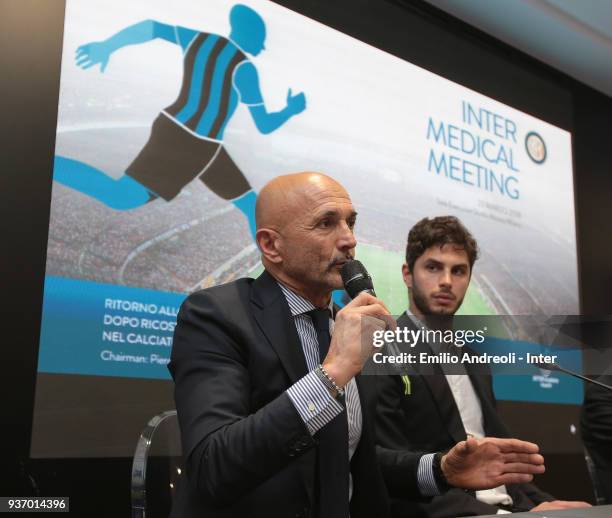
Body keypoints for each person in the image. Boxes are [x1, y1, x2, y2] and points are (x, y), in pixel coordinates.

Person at [169, 177, 546, 518]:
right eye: (326, 223)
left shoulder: (347, 325)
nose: (349, 239)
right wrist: (332, 373)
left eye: (351, 222)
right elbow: (211, 467)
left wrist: (439, 469)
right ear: (272, 245)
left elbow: (348, 460)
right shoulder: (215, 315)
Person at [375, 215, 591, 516]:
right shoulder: (381, 348)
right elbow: (387, 471)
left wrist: (546, 506)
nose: (447, 281)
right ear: (407, 274)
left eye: (459, 270)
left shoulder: (475, 358)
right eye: (433, 267)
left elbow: (503, 462)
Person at [54, 4, 306, 238]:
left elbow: (152, 27)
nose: (263, 46)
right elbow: (264, 124)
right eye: (261, 38)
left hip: (195, 140)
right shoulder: (244, 68)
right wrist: (291, 110)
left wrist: (108, 45)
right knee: (122, 195)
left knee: (252, 205)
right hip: (192, 143)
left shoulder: (201, 40)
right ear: (249, 34)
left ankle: (274, 278)